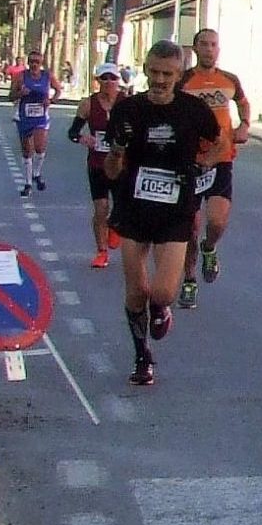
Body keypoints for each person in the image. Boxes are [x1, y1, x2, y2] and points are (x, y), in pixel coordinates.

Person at [103, 43, 222, 387]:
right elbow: (111, 170)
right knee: (136, 289)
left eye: (167, 74)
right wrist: (118, 151)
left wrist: (205, 164)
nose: (159, 80)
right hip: (133, 207)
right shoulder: (128, 109)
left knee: (163, 292)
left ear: (180, 74)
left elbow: (219, 144)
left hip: (176, 210)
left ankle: (162, 310)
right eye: (154, 72)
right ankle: (142, 357)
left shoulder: (193, 110)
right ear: (145, 69)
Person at [178, 28, 254, 309]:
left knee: (217, 222)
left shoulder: (229, 80)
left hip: (221, 158)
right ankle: (189, 280)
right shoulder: (184, 80)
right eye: (204, 44)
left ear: (218, 49)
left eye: (214, 44)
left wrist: (244, 125)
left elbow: (243, 103)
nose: (209, 49)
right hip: (191, 159)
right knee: (189, 227)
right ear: (195, 48)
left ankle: (209, 248)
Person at [68, 66, 127, 268]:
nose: (109, 82)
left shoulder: (127, 103)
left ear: (118, 81)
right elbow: (72, 132)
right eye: (105, 78)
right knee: (101, 208)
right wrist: (83, 138)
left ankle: (116, 227)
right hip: (97, 164)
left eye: (113, 78)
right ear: (98, 80)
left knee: (123, 208)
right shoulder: (88, 104)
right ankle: (101, 252)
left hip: (121, 164)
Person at [15, 53, 58, 196]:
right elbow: (11, 96)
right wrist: (20, 93)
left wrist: (51, 101)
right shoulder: (21, 77)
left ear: (41, 63)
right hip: (25, 117)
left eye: (37, 62)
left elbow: (58, 90)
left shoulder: (47, 76)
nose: (34, 64)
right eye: (32, 61)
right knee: (27, 151)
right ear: (28, 62)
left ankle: (36, 173)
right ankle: (27, 184)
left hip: (41, 117)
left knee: (40, 147)